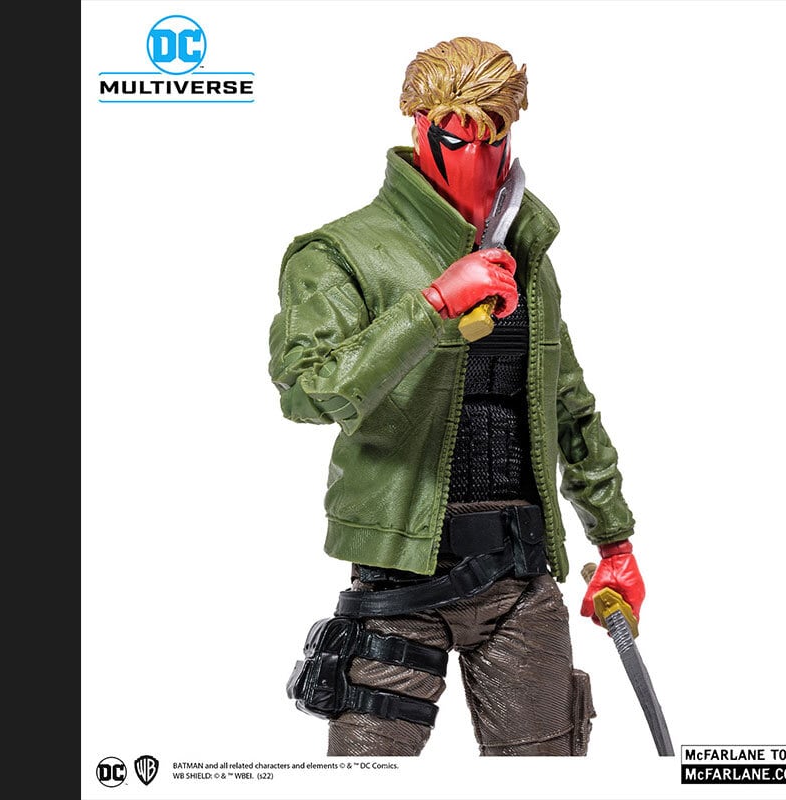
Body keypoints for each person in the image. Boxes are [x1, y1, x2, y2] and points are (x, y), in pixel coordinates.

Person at [270, 36, 645, 757]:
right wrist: (433, 304)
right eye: (454, 136)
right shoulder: (341, 252)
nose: (476, 159)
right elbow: (309, 389)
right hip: (402, 576)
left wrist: (615, 541)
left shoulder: (528, 258)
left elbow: (569, 406)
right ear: (420, 127)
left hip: (520, 575)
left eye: (493, 136)